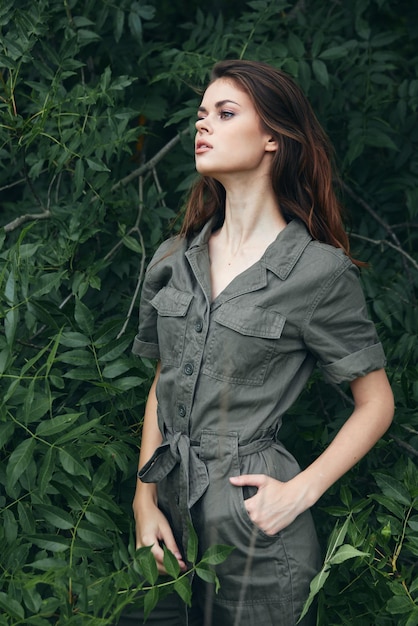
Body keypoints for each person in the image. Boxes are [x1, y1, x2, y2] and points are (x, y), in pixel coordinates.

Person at [131, 59, 394, 626]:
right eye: (201, 115)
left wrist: (300, 492)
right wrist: (141, 500)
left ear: (274, 137)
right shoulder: (176, 257)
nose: (203, 126)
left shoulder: (318, 274)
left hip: (254, 533)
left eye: (225, 114)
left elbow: (378, 404)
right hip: (166, 522)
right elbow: (165, 380)